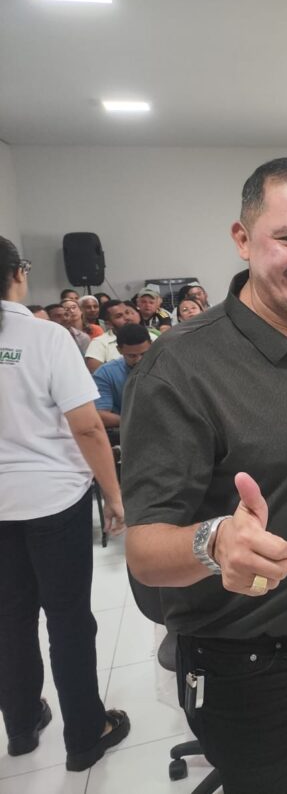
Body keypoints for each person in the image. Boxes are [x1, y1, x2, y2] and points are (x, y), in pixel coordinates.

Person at [121, 157, 287, 793]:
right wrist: (212, 543)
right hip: (248, 665)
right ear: (242, 239)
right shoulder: (180, 368)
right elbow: (144, 551)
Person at [0, 238, 130, 772]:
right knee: (69, 618)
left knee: (9, 620)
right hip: (54, 501)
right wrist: (114, 495)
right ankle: (84, 734)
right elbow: (88, 427)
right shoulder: (46, 336)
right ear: (19, 273)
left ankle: (21, 727)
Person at [92, 323, 152, 429]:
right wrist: (139, 422)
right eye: (132, 356)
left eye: (144, 354)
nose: (139, 360)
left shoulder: (164, 366)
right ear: (119, 350)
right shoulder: (105, 374)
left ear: (151, 345)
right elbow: (100, 415)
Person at [85, 300, 150, 372]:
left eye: (127, 313)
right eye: (119, 316)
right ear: (108, 323)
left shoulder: (151, 336)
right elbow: (96, 374)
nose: (127, 318)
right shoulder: (99, 343)